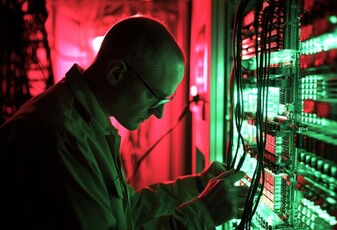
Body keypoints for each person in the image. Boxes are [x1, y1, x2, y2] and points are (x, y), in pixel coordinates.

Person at [0, 15, 249, 229]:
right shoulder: (61, 135)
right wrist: (202, 214)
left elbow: (124, 215)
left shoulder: (87, 120)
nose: (159, 114)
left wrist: (197, 186)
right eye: (155, 97)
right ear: (116, 73)